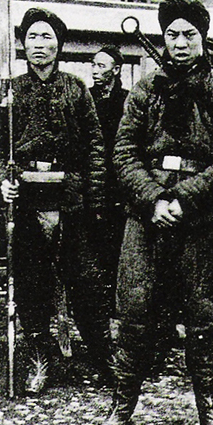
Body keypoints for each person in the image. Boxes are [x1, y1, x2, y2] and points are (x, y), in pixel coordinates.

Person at [93, 0, 213, 425]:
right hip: (146, 219)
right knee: (135, 314)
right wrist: (154, 200)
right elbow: (122, 153)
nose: (180, 44)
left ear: (203, 39)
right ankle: (122, 409)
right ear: (164, 39)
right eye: (172, 35)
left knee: (206, 317)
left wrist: (184, 198)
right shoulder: (145, 90)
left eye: (190, 35)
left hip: (201, 221)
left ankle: (210, 415)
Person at [0, 7, 111, 394]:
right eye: (32, 38)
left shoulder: (76, 88)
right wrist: (3, 182)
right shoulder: (10, 91)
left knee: (87, 285)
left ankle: (101, 360)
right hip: (27, 203)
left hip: (71, 201)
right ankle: (38, 360)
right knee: (32, 289)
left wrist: (92, 198)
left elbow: (96, 147)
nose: (39, 45)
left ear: (59, 44)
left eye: (47, 37)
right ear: (23, 45)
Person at [90, 46, 129, 319]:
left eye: (101, 66)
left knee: (117, 245)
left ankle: (116, 303)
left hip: (118, 183)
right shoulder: (87, 98)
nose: (95, 70)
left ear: (116, 70)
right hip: (94, 178)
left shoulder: (126, 101)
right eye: (93, 64)